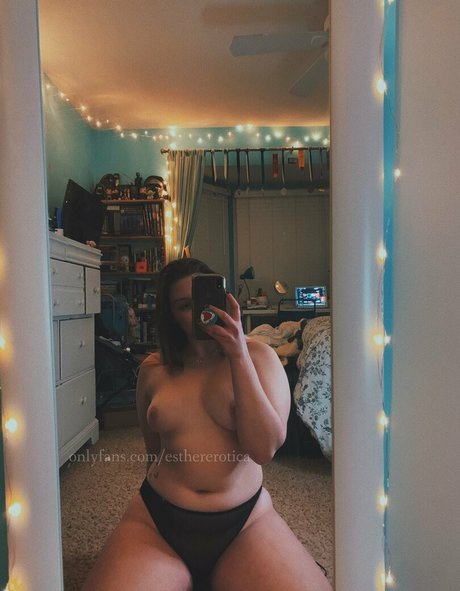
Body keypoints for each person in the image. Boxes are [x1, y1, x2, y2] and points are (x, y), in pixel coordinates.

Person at [83, 258, 332, 591]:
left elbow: (264, 449)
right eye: (184, 305)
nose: (200, 312)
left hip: (245, 523)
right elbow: (153, 452)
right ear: (170, 315)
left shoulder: (260, 358)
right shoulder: (153, 370)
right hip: (158, 521)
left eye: (204, 300)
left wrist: (238, 354)